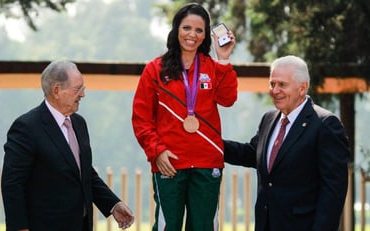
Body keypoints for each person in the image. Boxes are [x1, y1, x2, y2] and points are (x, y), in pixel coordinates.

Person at [131, 3, 237, 230]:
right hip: (170, 163)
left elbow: (228, 99)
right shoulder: (155, 69)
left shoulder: (212, 67)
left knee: (204, 227)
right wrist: (156, 152)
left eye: (199, 30)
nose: (192, 35)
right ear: (176, 29)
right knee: (167, 226)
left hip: (207, 162)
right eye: (186, 27)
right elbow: (141, 119)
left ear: (206, 35)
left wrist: (224, 59)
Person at [1, 60, 134, 231]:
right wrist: (19, 228)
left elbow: (85, 174)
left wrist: (113, 204)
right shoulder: (27, 127)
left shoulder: (79, 124)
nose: (83, 94)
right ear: (56, 91)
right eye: (77, 89)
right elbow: (12, 184)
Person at [224, 55, 350, 231]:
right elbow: (254, 154)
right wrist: (213, 144)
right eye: (272, 84)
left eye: (282, 84)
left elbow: (333, 192)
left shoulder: (325, 125)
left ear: (302, 87)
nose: (275, 90)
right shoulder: (269, 119)